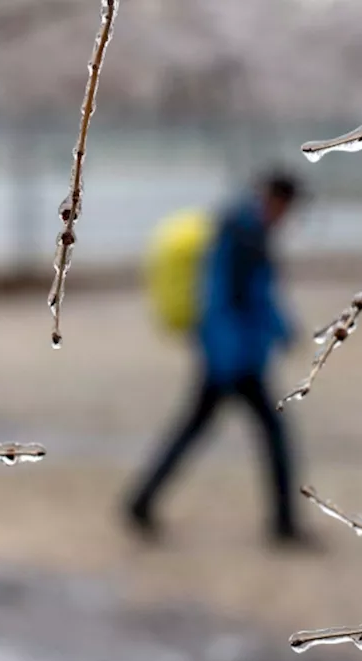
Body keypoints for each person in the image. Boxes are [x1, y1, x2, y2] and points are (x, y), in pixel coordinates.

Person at [123, 169, 318, 549]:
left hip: (225, 353)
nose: (289, 218)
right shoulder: (247, 233)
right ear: (278, 201)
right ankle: (283, 525)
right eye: (289, 208)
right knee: (274, 436)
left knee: (194, 430)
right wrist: (283, 331)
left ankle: (140, 502)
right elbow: (248, 296)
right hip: (235, 358)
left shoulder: (236, 225)